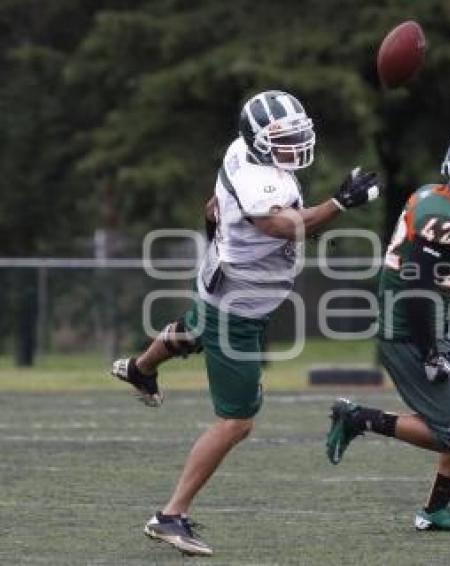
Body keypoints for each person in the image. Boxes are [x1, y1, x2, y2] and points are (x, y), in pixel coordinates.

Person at [111, 90, 381, 556]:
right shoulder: (260, 177)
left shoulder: (240, 152)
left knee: (195, 328)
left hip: (221, 277)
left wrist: (215, 225)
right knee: (236, 421)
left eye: (296, 133)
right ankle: (169, 515)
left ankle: (140, 368)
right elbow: (282, 226)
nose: (294, 143)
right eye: (282, 137)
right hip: (239, 306)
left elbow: (214, 203)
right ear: (256, 141)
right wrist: (339, 202)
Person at [324, 133, 450, 532]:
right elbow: (415, 287)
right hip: (410, 330)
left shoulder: (442, 198)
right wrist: (431, 353)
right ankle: (359, 418)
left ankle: (434, 512)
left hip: (436, 320)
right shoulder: (442, 218)